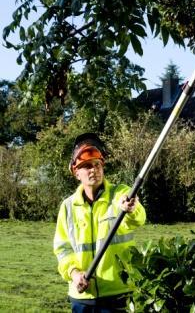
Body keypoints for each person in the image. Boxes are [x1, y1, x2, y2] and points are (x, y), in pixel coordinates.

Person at [54, 133, 146, 312]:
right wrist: (74, 274)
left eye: (97, 165)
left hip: (119, 292)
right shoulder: (67, 207)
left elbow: (139, 217)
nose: (93, 170)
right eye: (87, 166)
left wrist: (130, 208)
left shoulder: (120, 194)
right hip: (82, 298)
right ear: (76, 173)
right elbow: (62, 249)